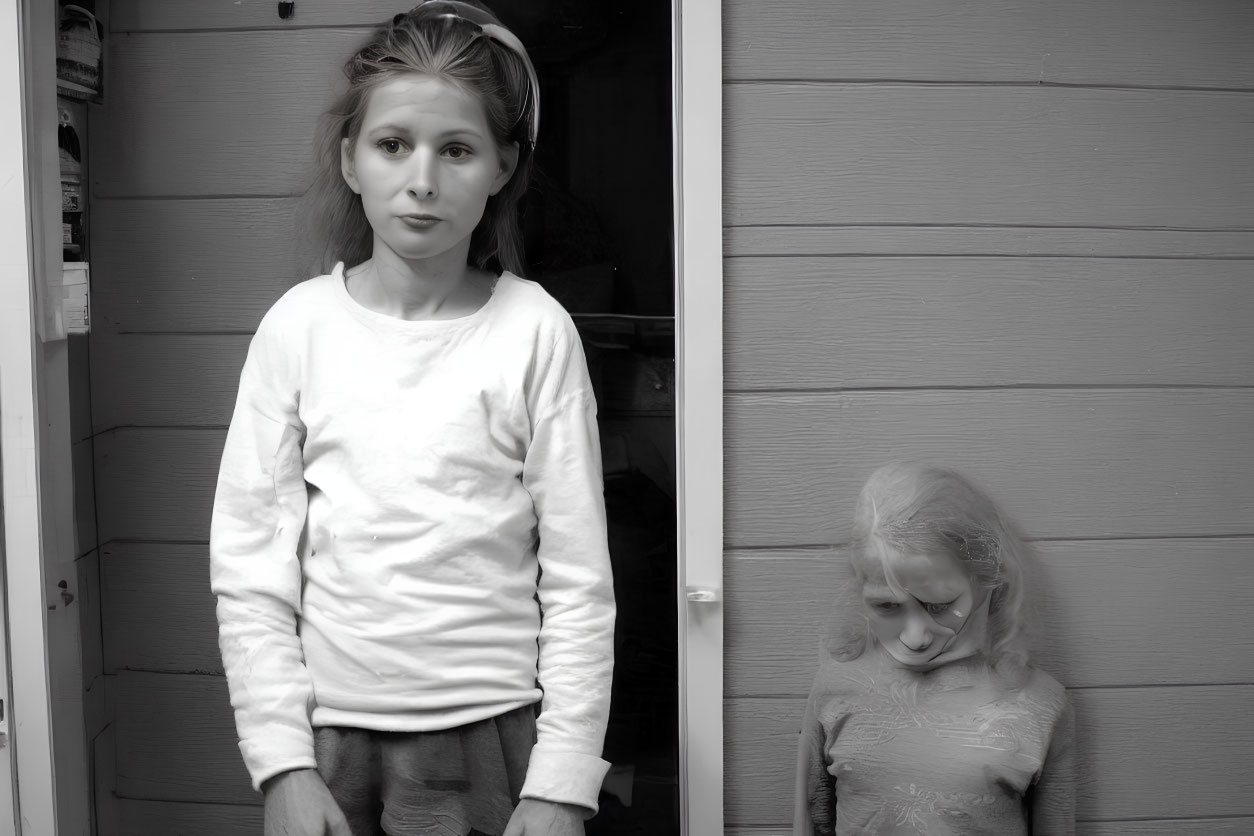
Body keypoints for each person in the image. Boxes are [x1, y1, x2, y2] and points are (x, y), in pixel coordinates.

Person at [209, 3, 615, 834]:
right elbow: (251, 568)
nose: (422, 178)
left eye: (456, 149)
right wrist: (283, 766)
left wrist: (561, 782)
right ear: (352, 160)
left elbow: (578, 580)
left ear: (503, 165)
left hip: (497, 741)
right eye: (393, 144)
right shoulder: (299, 327)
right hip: (333, 748)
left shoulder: (535, 330)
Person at [794, 462, 1075, 835]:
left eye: (940, 605)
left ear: (989, 580)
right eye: (886, 605)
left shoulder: (1040, 703)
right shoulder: (836, 686)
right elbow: (810, 821)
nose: (914, 637)